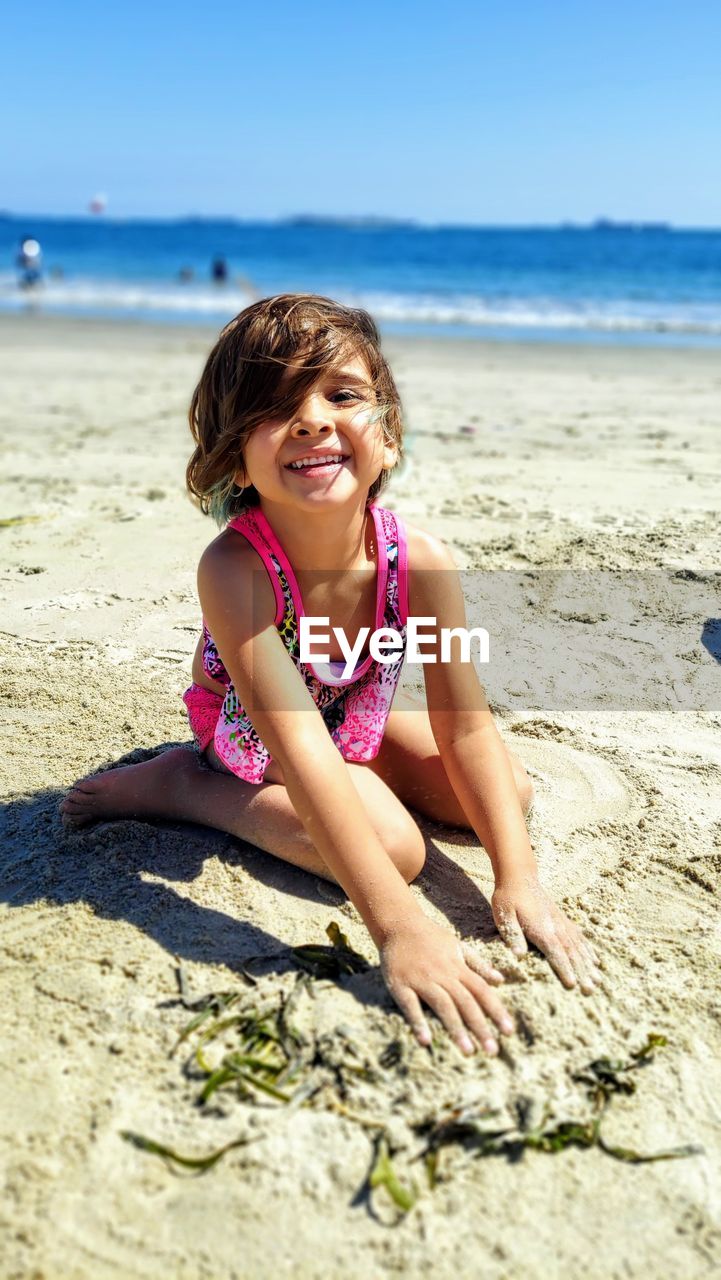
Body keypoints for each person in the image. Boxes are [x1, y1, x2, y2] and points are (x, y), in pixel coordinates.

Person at [61, 294, 601, 1056]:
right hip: (258, 734)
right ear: (233, 457)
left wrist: (520, 879)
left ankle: (375, 772)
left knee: (504, 791)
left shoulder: (421, 561)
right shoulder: (234, 568)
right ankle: (187, 786)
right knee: (397, 851)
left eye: (341, 395)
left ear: (388, 437)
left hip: (346, 713)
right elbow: (299, 750)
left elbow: (463, 720)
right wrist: (400, 925)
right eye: (276, 407)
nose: (313, 418)